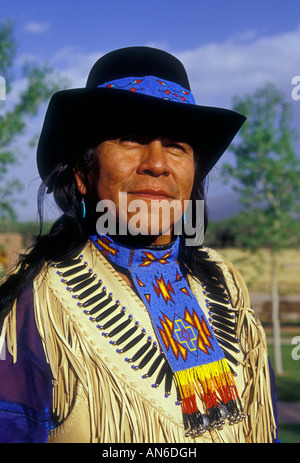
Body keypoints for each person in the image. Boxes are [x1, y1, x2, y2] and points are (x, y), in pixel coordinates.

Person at [0, 46, 278, 443]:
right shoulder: (36, 303)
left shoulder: (223, 285)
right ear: (82, 173)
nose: (157, 163)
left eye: (177, 146)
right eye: (131, 139)